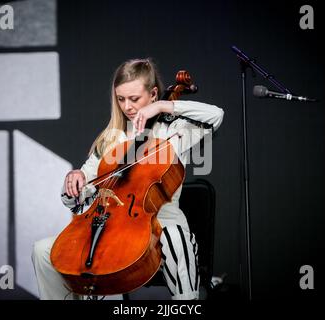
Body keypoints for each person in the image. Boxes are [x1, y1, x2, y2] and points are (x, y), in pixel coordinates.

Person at [32, 58, 224, 300]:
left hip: (160, 221)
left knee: (175, 237)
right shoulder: (112, 139)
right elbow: (75, 201)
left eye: (134, 99)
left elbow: (216, 115)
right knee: (42, 250)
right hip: (111, 224)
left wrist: (164, 107)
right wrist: (75, 180)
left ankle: (187, 302)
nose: (127, 107)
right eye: (121, 99)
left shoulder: (175, 131)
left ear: (153, 94)